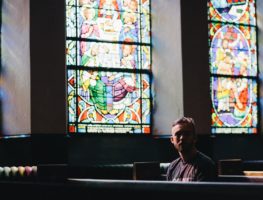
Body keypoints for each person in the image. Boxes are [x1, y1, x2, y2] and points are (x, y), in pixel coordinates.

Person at [166, 117, 217, 182]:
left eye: (186, 134)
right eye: (178, 134)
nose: (182, 138)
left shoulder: (206, 165)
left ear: (195, 138)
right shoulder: (172, 167)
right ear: (172, 140)